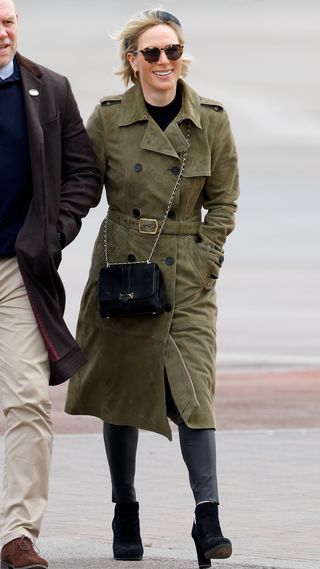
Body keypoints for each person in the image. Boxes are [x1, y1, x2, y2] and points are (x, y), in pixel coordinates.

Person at [65, 8, 239, 568]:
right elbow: (82, 183)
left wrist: (206, 260)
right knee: (122, 394)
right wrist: (49, 232)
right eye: (153, 53)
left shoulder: (210, 120)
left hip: (186, 277)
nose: (165, 62)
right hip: (122, 269)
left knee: (195, 394)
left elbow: (225, 201)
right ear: (132, 62)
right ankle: (125, 507)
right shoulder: (109, 119)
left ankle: (208, 517)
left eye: (173, 51)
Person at [0, 0, 101, 567]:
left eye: (8, 20)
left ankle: (17, 534)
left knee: (30, 402)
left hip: (18, 270)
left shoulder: (50, 88)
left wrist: (53, 232)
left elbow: (83, 171)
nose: (2, 31)